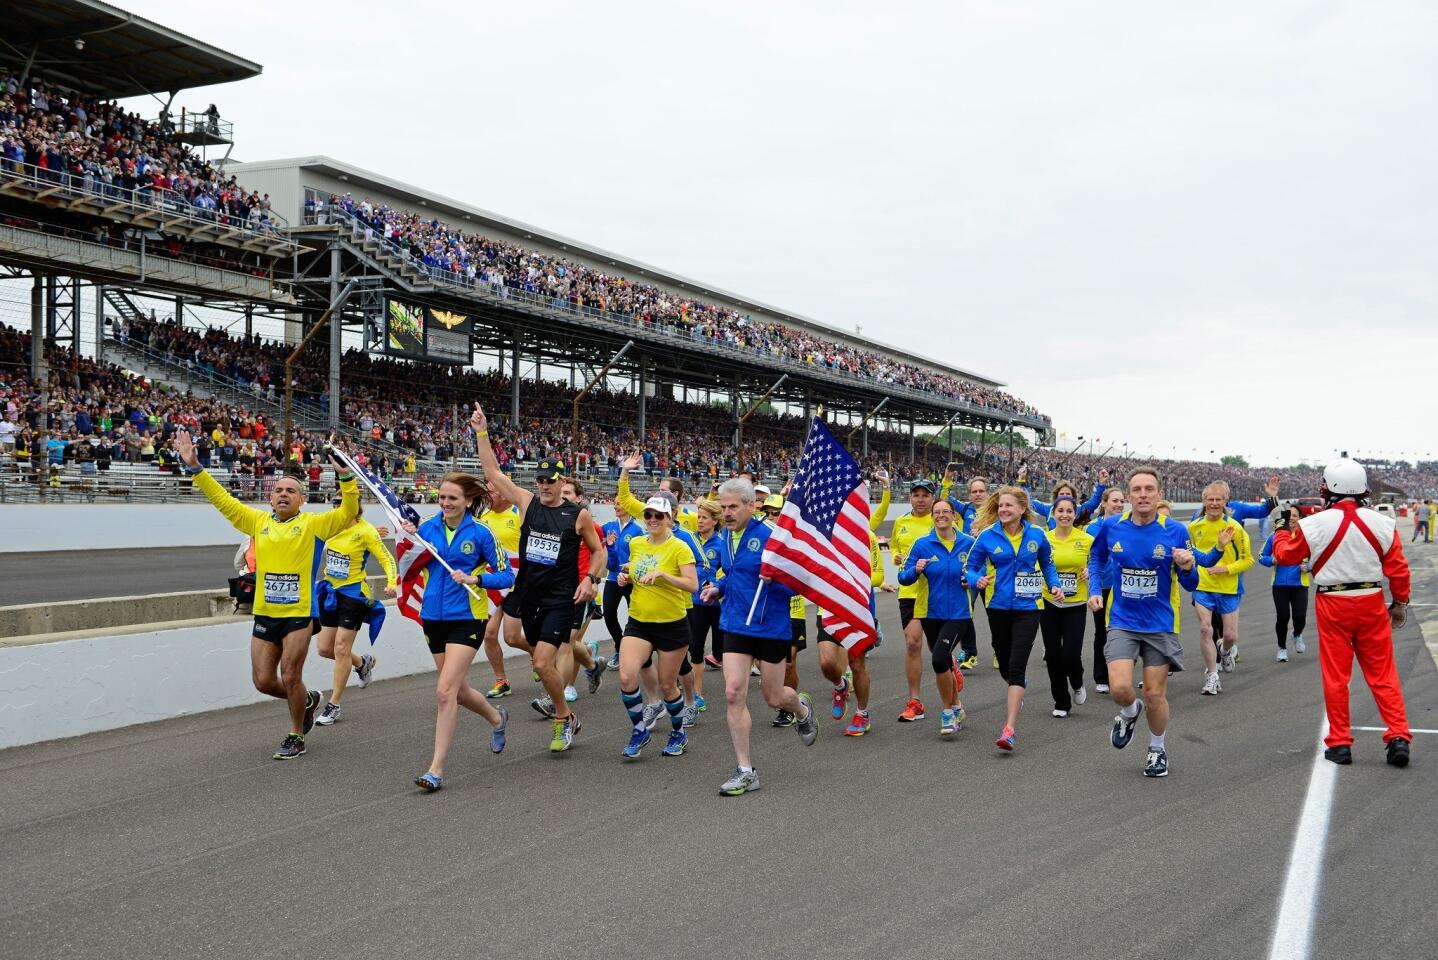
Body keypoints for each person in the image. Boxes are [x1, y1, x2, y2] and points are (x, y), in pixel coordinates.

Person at [173, 430, 356, 760]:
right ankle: (309, 700)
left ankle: (296, 734)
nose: (284, 494)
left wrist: (345, 477)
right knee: (263, 681)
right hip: (266, 612)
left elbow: (347, 513)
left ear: (303, 500)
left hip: (299, 614)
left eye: (292, 491)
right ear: (271, 499)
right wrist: (197, 468)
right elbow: (224, 502)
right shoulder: (257, 521)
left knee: (290, 674)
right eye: (279, 490)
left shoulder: (315, 525)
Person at [471, 404, 605, 753]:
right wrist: (482, 432)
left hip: (560, 597)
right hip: (527, 592)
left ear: (563, 481)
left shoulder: (579, 516)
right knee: (520, 643)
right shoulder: (527, 503)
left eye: (551, 480)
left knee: (541, 662)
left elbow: (600, 552)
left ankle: (563, 719)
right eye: (541, 480)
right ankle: (572, 682)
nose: (545, 485)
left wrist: (590, 579)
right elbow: (493, 472)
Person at [1271, 459, 1412, 767]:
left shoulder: (1314, 523)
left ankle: (1340, 743)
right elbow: (1399, 570)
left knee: (1337, 676)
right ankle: (1398, 735)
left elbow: (1285, 556)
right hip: (1371, 598)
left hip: (1333, 601)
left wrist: (1282, 530)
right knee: (1383, 674)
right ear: (1361, 488)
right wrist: (1399, 603)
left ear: (1328, 489)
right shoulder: (1383, 523)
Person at [1087, 466, 1210, 778]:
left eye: (1148, 489)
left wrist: (1185, 566)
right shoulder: (1111, 526)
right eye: (1137, 490)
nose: (1142, 494)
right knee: (1120, 688)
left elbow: (1192, 583)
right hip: (1122, 621)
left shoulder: (1176, 532)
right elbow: (1096, 557)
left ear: (1159, 495)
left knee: (1155, 694)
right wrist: (1093, 590)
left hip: (1159, 625)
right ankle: (1129, 712)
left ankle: (1157, 748)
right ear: (1129, 496)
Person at [400, 473, 515, 792]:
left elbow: (506, 576)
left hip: (467, 616)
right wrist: (409, 541)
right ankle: (496, 719)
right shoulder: (426, 528)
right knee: (458, 692)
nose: (445, 503)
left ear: (467, 501)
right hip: (432, 617)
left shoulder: (482, 533)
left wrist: (476, 580)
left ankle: (435, 769)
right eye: (441, 497)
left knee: (444, 691)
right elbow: (411, 561)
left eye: (452, 498)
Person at [703, 477, 817, 796]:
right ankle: (745, 770)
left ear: (751, 506)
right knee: (733, 692)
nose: (726, 513)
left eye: (733, 507)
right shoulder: (725, 537)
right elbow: (736, 574)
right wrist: (718, 588)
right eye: (723, 507)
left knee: (773, 697)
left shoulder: (772, 538)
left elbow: (799, 583)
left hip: (770, 626)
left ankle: (801, 709)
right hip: (736, 623)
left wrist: (776, 578)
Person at [964, 486, 1063, 752]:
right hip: (997, 605)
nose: (1004, 510)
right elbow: (970, 567)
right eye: (1000, 506)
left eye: (1009, 506)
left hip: (1029, 607)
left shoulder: (1037, 535)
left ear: (1022, 509)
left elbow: (1048, 563)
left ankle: (1009, 730)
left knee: (1017, 666)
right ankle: (1016, 684)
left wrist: (1054, 585)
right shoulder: (987, 536)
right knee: (1005, 663)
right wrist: (977, 579)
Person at [616, 495, 700, 759]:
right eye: (649, 515)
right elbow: (636, 573)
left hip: (672, 624)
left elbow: (692, 585)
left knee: (667, 686)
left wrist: (664, 575)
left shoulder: (679, 547)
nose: (652, 520)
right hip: (639, 621)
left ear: (669, 518)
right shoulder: (638, 543)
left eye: (658, 516)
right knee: (627, 677)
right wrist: (625, 577)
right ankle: (640, 730)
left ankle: (678, 733)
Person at [313, 500, 397, 726]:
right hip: (330, 592)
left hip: (354, 596)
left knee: (341, 648)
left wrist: (392, 582)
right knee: (324, 649)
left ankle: (334, 705)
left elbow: (386, 558)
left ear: (355, 508)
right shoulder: (329, 527)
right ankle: (362, 663)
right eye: (334, 503)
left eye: (342, 503)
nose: (337, 507)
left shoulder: (366, 531)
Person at [897, 499, 975, 737]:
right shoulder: (922, 544)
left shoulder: (969, 543)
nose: (941, 515)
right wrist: (916, 570)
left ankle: (948, 712)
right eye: (937, 512)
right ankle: (958, 704)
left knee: (940, 659)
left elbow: (981, 570)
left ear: (954, 516)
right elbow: (903, 577)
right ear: (932, 517)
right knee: (944, 662)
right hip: (930, 613)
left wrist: (970, 579)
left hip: (959, 614)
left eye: (945, 512)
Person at [1189, 482, 1254, 695]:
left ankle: (1225, 651)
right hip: (1203, 585)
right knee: (1206, 629)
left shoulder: (1234, 527)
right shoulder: (1194, 527)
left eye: (1218, 500)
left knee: (1229, 635)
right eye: (1210, 499)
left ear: (1225, 501)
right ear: (1204, 501)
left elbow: (1248, 560)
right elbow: (1188, 555)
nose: (1214, 503)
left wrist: (1225, 568)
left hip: (1229, 587)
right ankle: (1212, 675)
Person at [1041, 496, 1093, 717]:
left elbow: (1099, 561)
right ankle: (1061, 701)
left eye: (1069, 511)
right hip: (1049, 602)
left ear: (1075, 514)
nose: (1064, 515)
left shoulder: (1087, 539)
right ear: (1053, 514)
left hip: (1075, 603)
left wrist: (1090, 569)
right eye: (1060, 510)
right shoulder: (1044, 538)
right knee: (1053, 655)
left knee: (1070, 654)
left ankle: (1078, 681)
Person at [890, 478, 937, 721]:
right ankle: (915, 701)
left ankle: (948, 663)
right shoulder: (901, 522)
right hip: (909, 590)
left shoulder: (939, 519)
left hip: (936, 590)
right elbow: (896, 547)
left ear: (933, 498)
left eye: (925, 495)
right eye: (916, 495)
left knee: (935, 647)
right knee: (912, 644)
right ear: (910, 497)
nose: (920, 499)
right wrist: (897, 557)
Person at [478, 490, 523, 699]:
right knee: (488, 633)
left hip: (516, 583)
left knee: (512, 638)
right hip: (493, 583)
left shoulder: (518, 514)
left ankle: (536, 653)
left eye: (492, 491)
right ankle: (501, 680)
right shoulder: (483, 517)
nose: (487, 495)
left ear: (504, 494)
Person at [687, 498, 726, 717]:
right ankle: (696, 695)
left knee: (722, 653)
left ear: (714, 521)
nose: (699, 521)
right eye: (698, 517)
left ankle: (735, 690)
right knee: (696, 647)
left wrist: (717, 583)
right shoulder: (690, 541)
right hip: (696, 603)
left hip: (718, 604)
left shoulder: (721, 543)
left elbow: (729, 570)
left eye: (704, 518)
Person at [1085, 487, 1125, 693]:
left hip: (1123, 587)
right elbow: (1087, 556)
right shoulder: (1092, 527)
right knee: (1102, 632)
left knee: (1123, 632)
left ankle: (1120, 673)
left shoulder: (1129, 525)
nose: (1118, 504)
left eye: (1121, 501)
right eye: (1114, 501)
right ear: (1104, 503)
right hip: (1101, 587)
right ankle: (1101, 676)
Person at [1259, 515, 1310, 662]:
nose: (1291, 520)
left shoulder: (1306, 536)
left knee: (1300, 618)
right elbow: (1261, 556)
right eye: (1289, 517)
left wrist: (1308, 566)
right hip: (1279, 584)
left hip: (1300, 583)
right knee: (1283, 617)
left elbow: (1317, 556)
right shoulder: (1274, 536)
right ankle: (1282, 648)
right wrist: (1272, 560)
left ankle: (1297, 634)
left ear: (1299, 518)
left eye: (1294, 516)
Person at [601, 504, 643, 671]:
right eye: (615, 503)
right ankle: (620, 647)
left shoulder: (638, 529)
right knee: (609, 615)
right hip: (613, 578)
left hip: (631, 579)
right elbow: (593, 536)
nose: (616, 505)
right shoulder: (609, 527)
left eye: (620, 503)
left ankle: (634, 650)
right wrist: (607, 544)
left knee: (635, 617)